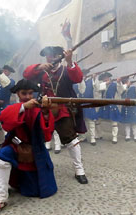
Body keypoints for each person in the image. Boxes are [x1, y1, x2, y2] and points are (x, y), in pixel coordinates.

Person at [0, 79, 57, 215]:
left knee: (33, 190)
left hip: (36, 150)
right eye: (24, 93)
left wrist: (47, 113)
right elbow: (4, 119)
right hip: (16, 146)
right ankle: (0, 199)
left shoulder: (39, 109)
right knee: (1, 159)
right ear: (18, 93)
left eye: (31, 93)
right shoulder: (16, 107)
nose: (28, 96)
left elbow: (47, 136)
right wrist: (24, 106)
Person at [23, 46, 88, 184]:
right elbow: (26, 74)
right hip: (45, 108)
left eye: (53, 55)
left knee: (71, 139)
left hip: (63, 109)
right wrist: (39, 66)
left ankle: (79, 170)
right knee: (36, 137)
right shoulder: (42, 72)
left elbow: (78, 77)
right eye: (48, 56)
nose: (50, 58)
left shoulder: (66, 69)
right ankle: (35, 168)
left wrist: (70, 61)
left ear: (59, 56)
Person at [0, 65, 15, 147]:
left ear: (9, 73)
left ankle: (9, 140)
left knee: (5, 125)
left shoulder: (11, 81)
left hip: (4, 105)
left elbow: (9, 87)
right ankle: (2, 141)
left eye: (7, 71)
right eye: (4, 70)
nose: (5, 72)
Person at [97, 72, 124, 144]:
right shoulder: (102, 85)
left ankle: (114, 137)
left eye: (106, 77)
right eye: (104, 78)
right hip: (103, 105)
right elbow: (99, 88)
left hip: (112, 105)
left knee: (114, 122)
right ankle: (100, 134)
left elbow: (120, 91)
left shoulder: (114, 85)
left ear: (109, 77)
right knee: (97, 121)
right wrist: (106, 83)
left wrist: (119, 82)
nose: (105, 79)